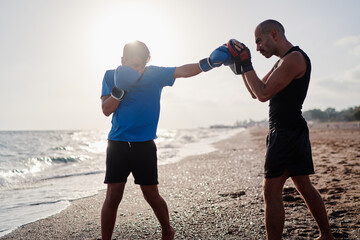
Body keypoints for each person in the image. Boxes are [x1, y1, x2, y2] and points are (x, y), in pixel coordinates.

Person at [100, 40, 232, 240]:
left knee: (151, 195)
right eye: (131, 64)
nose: (135, 69)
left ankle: (167, 229)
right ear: (122, 60)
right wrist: (120, 89)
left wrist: (209, 63)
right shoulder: (111, 76)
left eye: (139, 65)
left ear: (147, 62)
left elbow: (183, 71)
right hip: (117, 144)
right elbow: (106, 110)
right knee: (112, 196)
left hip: (144, 145)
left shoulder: (154, 74)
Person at [228, 20, 334, 240]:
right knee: (304, 186)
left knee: (271, 191)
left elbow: (263, 93)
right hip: (289, 131)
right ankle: (327, 235)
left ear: (273, 34)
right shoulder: (282, 62)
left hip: (286, 131)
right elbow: (255, 92)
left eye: (259, 41)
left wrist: (247, 63)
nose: (257, 48)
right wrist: (239, 67)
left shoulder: (294, 58)